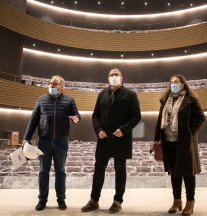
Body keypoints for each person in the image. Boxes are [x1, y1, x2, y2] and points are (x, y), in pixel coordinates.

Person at [81, 68, 141, 213]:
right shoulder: (102, 94)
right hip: (104, 138)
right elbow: (95, 115)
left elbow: (136, 116)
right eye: (112, 75)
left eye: (117, 74)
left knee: (120, 169)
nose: (114, 76)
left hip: (121, 138)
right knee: (99, 169)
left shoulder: (131, 95)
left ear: (121, 78)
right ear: (108, 79)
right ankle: (94, 200)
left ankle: (117, 201)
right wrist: (98, 130)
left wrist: (124, 129)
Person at [23, 75, 81, 212]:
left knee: (60, 171)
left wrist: (76, 118)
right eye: (51, 83)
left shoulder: (69, 100)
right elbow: (33, 120)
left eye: (55, 84)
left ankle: (61, 199)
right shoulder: (41, 100)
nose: (52, 85)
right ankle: (42, 200)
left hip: (61, 141)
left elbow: (77, 114)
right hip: (44, 141)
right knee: (44, 171)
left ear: (61, 87)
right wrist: (27, 137)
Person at [154, 74, 206, 215]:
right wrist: (156, 138)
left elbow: (201, 117)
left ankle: (190, 202)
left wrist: (191, 131)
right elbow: (160, 121)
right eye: (171, 83)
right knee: (174, 172)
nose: (173, 85)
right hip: (168, 141)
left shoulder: (190, 100)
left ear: (183, 84)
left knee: (187, 172)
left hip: (185, 142)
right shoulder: (165, 100)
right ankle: (177, 201)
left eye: (176, 82)